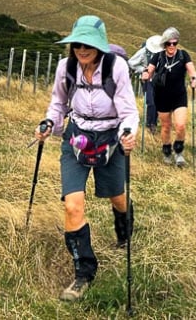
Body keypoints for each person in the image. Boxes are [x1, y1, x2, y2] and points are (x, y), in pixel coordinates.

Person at [34, 15, 139, 302]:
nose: (82, 49)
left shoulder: (116, 68)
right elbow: (58, 103)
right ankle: (84, 273)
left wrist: (128, 133)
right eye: (77, 44)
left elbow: (128, 110)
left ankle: (124, 229)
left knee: (116, 196)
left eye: (88, 44)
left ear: (100, 45)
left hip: (110, 138)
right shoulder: (65, 68)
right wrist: (48, 124)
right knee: (72, 205)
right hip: (76, 137)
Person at [143, 27, 196, 166]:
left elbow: (191, 69)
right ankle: (167, 152)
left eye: (174, 43)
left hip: (179, 96)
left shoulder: (183, 55)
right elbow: (149, 69)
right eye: (169, 43)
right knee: (166, 126)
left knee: (180, 125)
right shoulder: (158, 56)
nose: (172, 46)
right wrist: (146, 74)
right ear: (164, 44)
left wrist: (193, 78)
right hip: (162, 96)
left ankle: (178, 152)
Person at [128, 35, 163, 134]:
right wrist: (143, 70)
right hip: (147, 79)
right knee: (151, 101)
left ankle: (154, 123)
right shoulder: (143, 52)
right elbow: (131, 63)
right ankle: (149, 124)